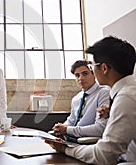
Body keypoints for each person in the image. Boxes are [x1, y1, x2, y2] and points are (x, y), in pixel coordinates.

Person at [45, 36, 136, 164]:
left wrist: (65, 149)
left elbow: (104, 156)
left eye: (92, 67)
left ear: (104, 68)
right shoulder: (127, 93)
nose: (81, 78)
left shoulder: (126, 98)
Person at [52, 60, 110, 140]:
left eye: (85, 73)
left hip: (88, 143)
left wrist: (67, 130)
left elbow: (100, 128)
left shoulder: (104, 93)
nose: (81, 78)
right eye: (77, 75)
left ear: (94, 75)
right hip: (71, 139)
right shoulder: (76, 98)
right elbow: (71, 121)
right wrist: (59, 128)